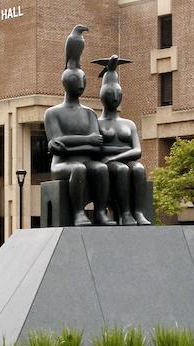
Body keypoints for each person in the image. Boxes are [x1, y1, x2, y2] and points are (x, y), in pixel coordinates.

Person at [43, 24, 115, 226]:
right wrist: (86, 141)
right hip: (63, 165)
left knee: (101, 168)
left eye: (83, 80)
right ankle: (78, 213)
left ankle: (100, 212)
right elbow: (57, 144)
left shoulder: (89, 113)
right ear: (67, 82)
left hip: (84, 160)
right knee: (79, 169)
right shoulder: (53, 113)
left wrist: (72, 144)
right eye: (77, 80)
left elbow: (97, 145)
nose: (81, 85)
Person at [94, 54, 152, 226]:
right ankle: (125, 214)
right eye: (110, 93)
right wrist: (116, 156)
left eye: (117, 93)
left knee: (139, 169)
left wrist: (113, 156)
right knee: (121, 170)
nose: (114, 97)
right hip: (110, 165)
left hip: (117, 160)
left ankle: (138, 212)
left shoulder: (129, 123)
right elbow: (96, 149)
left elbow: (138, 151)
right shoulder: (96, 123)